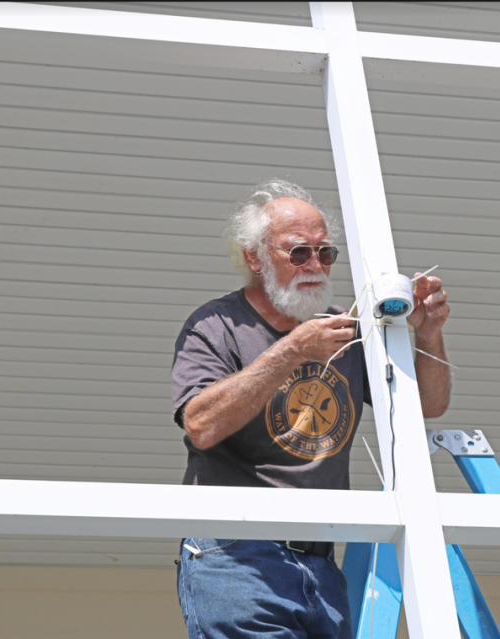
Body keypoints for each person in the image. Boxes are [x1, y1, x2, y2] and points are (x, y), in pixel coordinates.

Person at [170, 179, 451, 639]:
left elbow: (427, 408)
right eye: (299, 252)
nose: (315, 265)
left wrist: (429, 334)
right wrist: (292, 351)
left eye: (326, 253)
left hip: (321, 563)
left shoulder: (347, 327)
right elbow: (200, 424)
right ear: (254, 257)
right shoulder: (216, 324)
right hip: (236, 556)